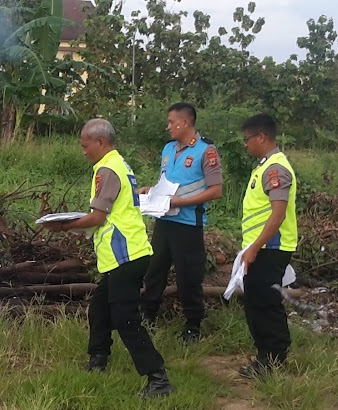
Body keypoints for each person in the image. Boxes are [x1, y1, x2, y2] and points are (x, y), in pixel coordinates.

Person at [44, 118, 174, 398]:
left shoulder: (107, 168)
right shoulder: (119, 164)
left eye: (85, 145)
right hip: (123, 256)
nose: (83, 151)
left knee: (126, 318)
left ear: (100, 142)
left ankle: (158, 379)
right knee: (99, 308)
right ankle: (98, 359)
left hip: (126, 255)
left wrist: (63, 225)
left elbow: (98, 217)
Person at [138, 102, 223, 344]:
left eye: (171, 122)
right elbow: (168, 183)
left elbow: (216, 190)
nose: (168, 127)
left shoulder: (206, 151)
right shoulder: (167, 149)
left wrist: (181, 202)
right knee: (154, 271)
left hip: (188, 224)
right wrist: (150, 190)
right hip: (164, 220)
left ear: (185, 122)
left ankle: (192, 325)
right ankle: (147, 315)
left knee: (189, 277)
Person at [238, 113, 297, 377]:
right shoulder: (264, 166)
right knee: (256, 301)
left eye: (247, 139)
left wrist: (254, 247)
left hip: (270, 248)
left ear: (262, 137)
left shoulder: (275, 169)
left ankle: (273, 359)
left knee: (265, 303)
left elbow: (278, 213)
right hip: (261, 247)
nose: (245, 144)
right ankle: (265, 356)